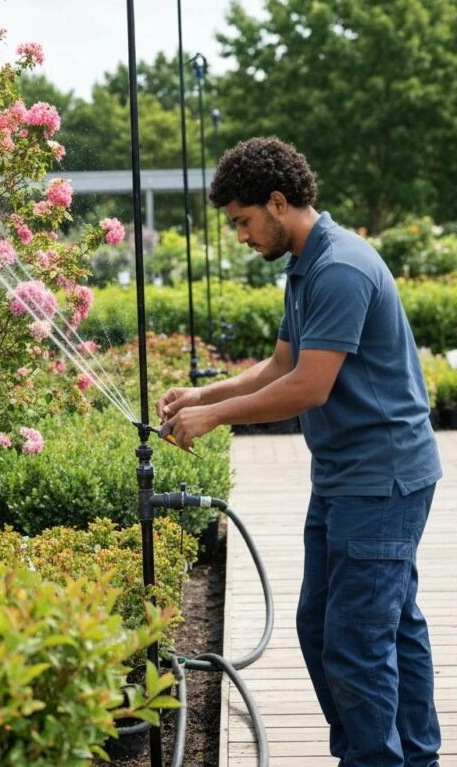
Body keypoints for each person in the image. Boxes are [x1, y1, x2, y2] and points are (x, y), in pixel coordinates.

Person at [156, 136, 442, 767]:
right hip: (347, 476)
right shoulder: (307, 264)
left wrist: (213, 418)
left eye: (243, 221)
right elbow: (281, 364)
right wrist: (203, 394)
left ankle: (376, 760)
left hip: (382, 479)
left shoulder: (339, 268)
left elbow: (308, 388)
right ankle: (413, 756)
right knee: (356, 625)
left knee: (357, 641)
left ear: (278, 202)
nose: (240, 236)